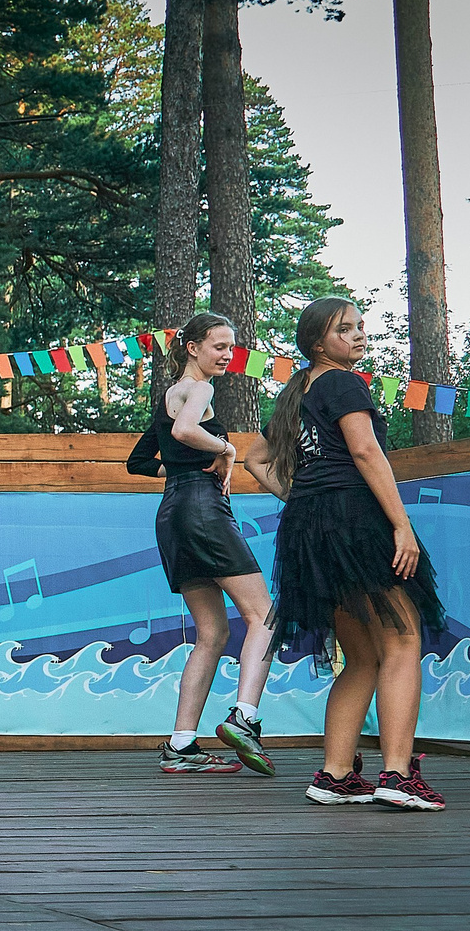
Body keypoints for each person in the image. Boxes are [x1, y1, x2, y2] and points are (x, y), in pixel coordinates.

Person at [250, 297, 447, 810]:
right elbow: (364, 451)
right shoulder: (342, 383)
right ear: (319, 343)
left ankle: (335, 775)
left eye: (361, 326)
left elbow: (254, 458)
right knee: (402, 644)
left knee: (359, 656)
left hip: (310, 528)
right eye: (346, 329)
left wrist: (302, 494)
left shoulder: (298, 390)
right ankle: (398, 776)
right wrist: (401, 525)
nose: (360, 335)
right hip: (355, 522)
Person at [126, 311, 278, 776]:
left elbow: (137, 462)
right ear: (191, 347)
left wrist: (183, 469)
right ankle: (244, 717)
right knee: (264, 616)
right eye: (219, 346)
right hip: (203, 512)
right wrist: (226, 449)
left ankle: (181, 745)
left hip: (173, 515)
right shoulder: (200, 389)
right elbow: (184, 432)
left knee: (212, 635)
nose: (227, 355)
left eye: (231, 348)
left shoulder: (166, 395)